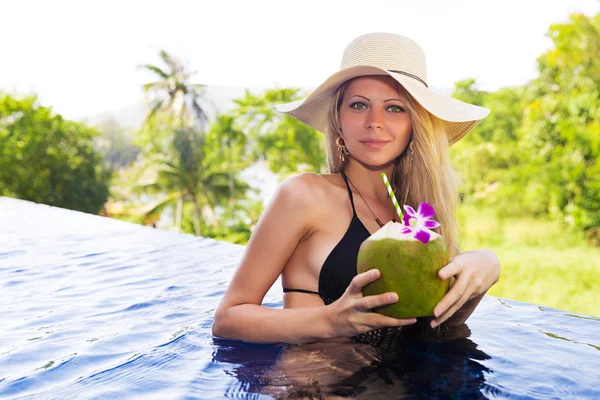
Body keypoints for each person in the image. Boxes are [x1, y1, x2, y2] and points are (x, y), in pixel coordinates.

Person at [212, 32, 501, 344]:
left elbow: (439, 326)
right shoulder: (303, 195)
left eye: (395, 108)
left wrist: (486, 269)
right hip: (320, 386)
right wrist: (332, 320)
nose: (374, 122)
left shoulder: (418, 212)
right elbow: (228, 319)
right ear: (338, 118)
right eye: (359, 105)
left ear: (414, 124)